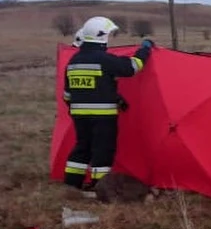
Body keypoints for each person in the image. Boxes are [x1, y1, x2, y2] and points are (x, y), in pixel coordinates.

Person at [62, 16, 153, 191]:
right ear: (101, 36)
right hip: (103, 117)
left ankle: (72, 184)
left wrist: (113, 97)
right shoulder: (104, 59)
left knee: (82, 147)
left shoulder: (73, 62)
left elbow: (68, 95)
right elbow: (132, 67)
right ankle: (99, 186)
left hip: (79, 116)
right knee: (102, 150)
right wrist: (145, 50)